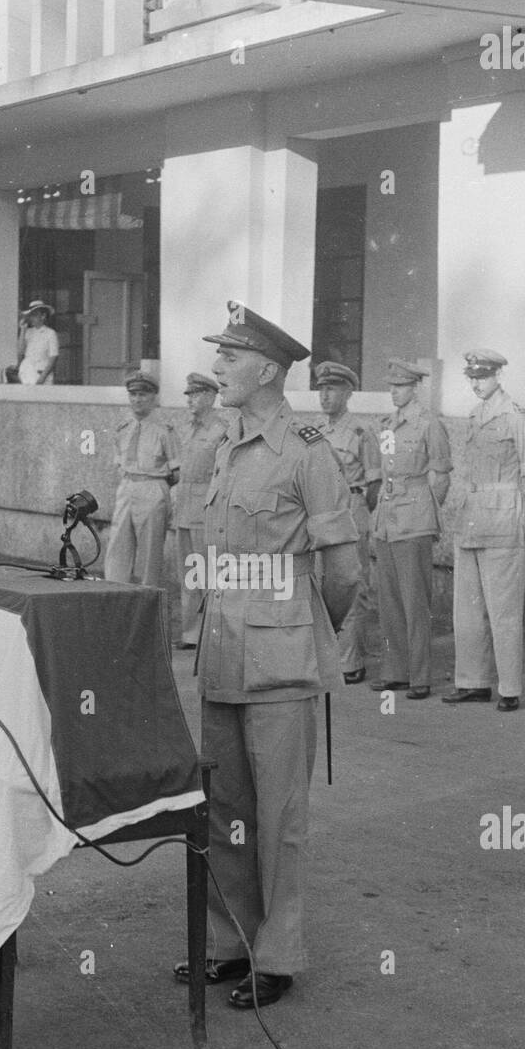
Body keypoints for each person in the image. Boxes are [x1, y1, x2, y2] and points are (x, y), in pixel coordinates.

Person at [173, 302, 360, 1008]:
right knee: (223, 806)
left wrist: (305, 629)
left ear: (270, 369)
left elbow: (342, 568)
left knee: (278, 817)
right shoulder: (225, 446)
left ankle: (277, 956)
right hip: (222, 652)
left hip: (281, 661)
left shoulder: (308, 450)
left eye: (231, 356)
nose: (218, 366)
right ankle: (229, 943)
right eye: (219, 355)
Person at [442, 349, 525, 713]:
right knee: (466, 609)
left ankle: (510, 688)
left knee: (504, 610)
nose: (475, 383)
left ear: (498, 376)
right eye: (471, 377)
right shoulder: (475, 415)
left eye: (481, 377)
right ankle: (472, 683)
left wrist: (521, 514)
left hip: (502, 521)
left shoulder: (514, 416)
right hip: (471, 519)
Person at [370, 358, 452, 699]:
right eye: (391, 386)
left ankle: (420, 676)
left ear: (414, 388)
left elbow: (442, 473)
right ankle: (396, 670)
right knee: (388, 599)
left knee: (415, 601)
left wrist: (424, 507)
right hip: (387, 519)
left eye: (400, 386)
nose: (394, 392)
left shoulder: (428, 423)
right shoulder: (388, 423)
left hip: (413, 519)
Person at [313, 361, 382, 684]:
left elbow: (375, 485)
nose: (325, 396)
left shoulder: (360, 432)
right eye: (321, 389)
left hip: (351, 508)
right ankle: (328, 656)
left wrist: (358, 513)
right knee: (322, 582)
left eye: (332, 389)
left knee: (352, 582)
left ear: (348, 393)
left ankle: (351, 660)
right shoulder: (317, 432)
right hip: (323, 512)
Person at [104, 370, 180, 588]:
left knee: (149, 551)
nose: (137, 400)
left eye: (143, 395)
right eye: (133, 395)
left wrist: (158, 490)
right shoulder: (122, 429)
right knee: (118, 546)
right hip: (127, 487)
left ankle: (147, 599)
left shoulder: (165, 431)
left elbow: (177, 472)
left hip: (152, 487)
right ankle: (113, 593)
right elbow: (119, 463)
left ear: (153, 398)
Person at [174, 373, 228, 649]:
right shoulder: (186, 428)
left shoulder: (221, 430)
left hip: (205, 507)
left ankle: (212, 632)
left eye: (195, 394)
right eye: (188, 395)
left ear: (210, 396)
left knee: (208, 573)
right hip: (183, 506)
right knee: (188, 574)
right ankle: (191, 633)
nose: (190, 400)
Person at [17, 300, 59, 385]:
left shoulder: (50, 333)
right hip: (27, 374)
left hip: (42, 375)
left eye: (34, 315)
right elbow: (20, 352)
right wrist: (22, 330)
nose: (31, 318)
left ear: (43, 316)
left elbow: (53, 357)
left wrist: (42, 378)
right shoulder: (28, 332)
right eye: (30, 316)